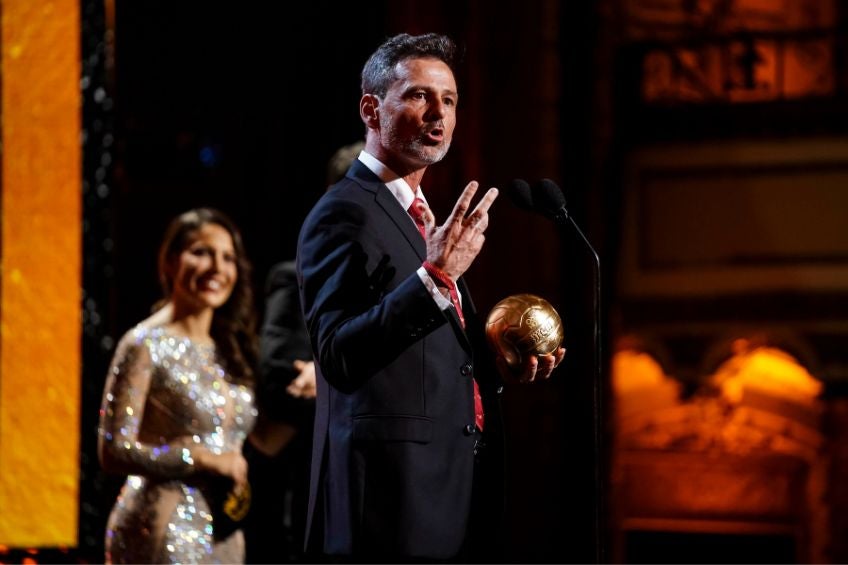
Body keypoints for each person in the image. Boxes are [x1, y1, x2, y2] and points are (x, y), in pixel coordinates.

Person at [296, 33, 565, 562]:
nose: (438, 113)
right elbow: (339, 355)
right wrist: (436, 274)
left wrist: (496, 364)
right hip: (388, 505)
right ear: (371, 110)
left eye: (450, 100)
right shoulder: (342, 212)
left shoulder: (421, 214)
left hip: (451, 488)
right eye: (419, 96)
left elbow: (421, 353)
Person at [98, 207, 259, 564]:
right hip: (164, 527)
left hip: (225, 531)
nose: (217, 268)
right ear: (169, 262)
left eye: (227, 257)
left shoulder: (228, 349)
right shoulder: (145, 344)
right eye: (201, 252)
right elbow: (113, 450)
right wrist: (197, 457)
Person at [243, 140, 364, 563]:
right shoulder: (294, 278)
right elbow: (278, 379)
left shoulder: (412, 290)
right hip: (321, 493)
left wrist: (326, 373)